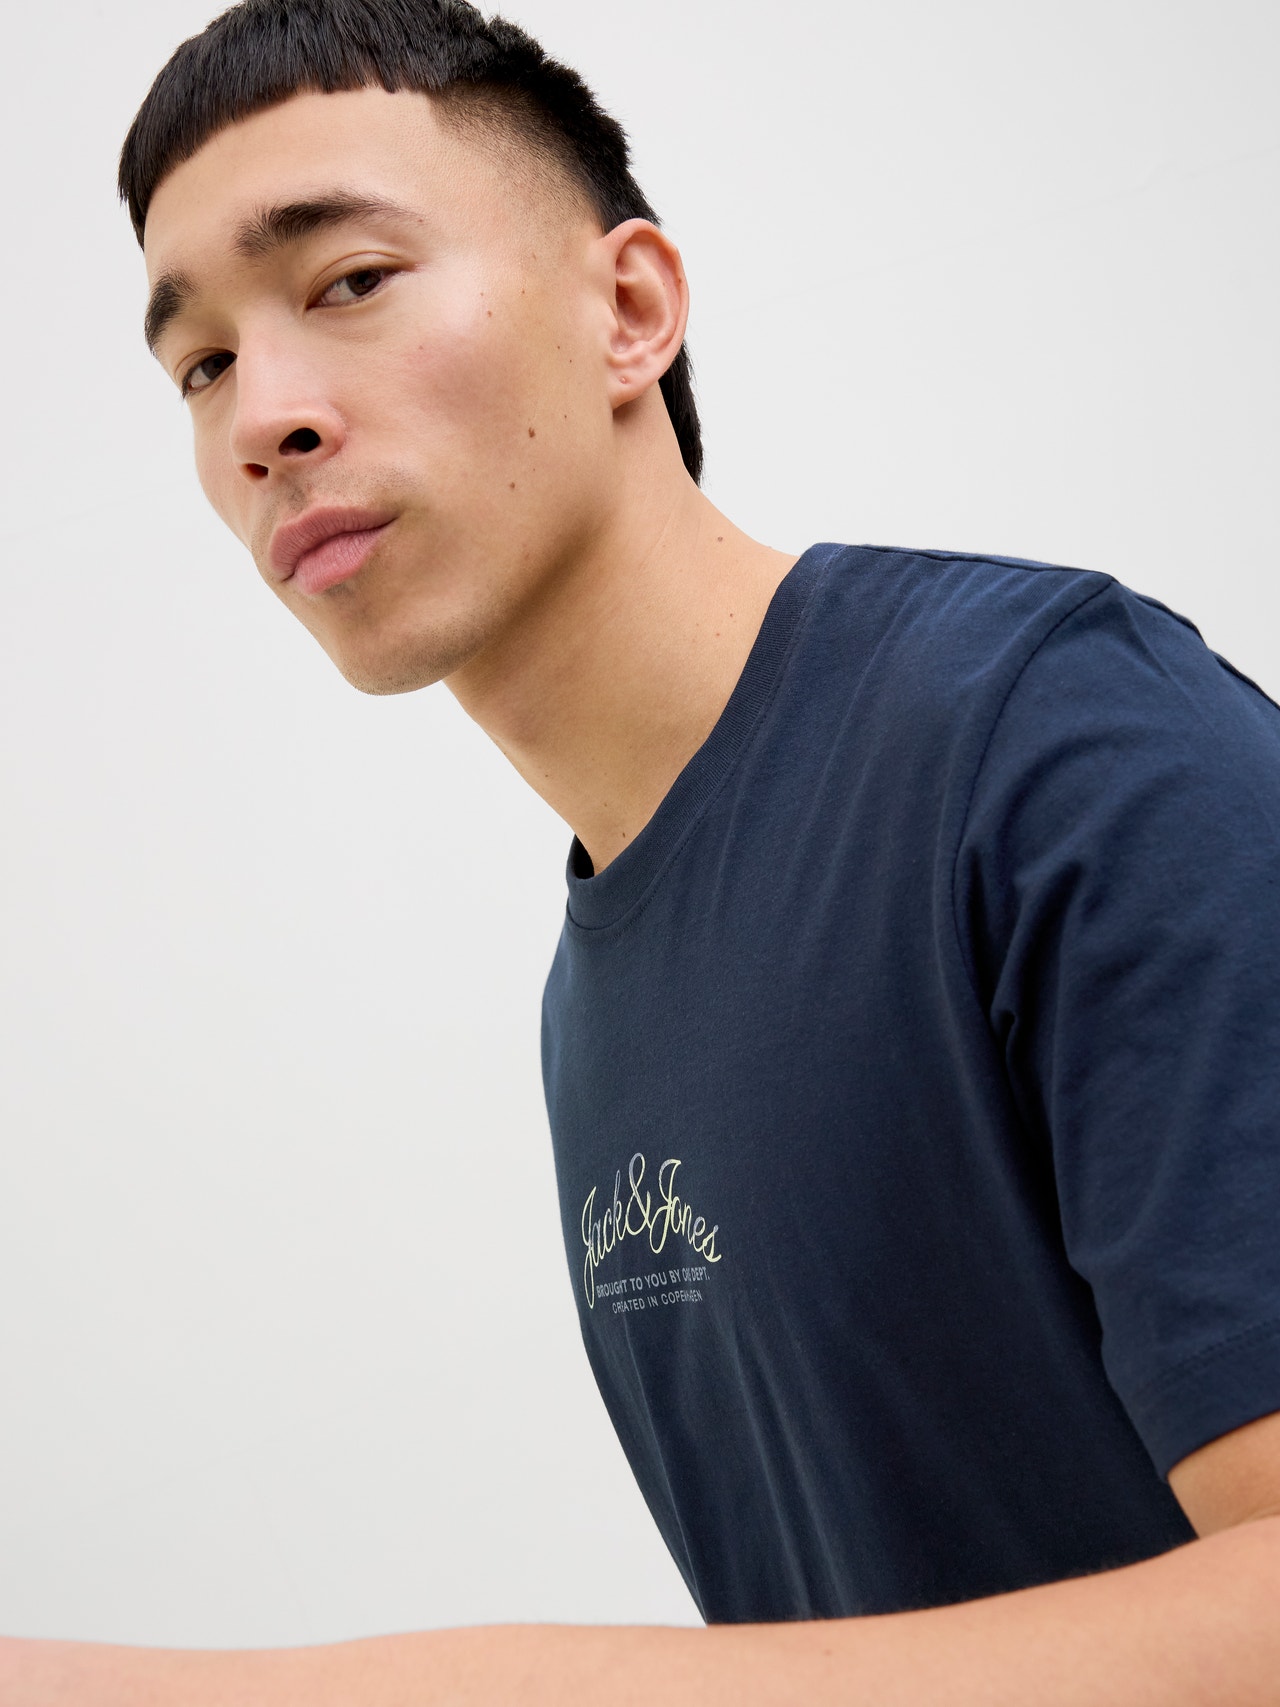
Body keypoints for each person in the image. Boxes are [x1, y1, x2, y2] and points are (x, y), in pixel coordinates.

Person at [5, 0, 1279, 1700]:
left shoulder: (1057, 741)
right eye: (204, 365)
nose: (263, 418)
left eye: (350, 281)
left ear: (629, 311)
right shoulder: (591, 1009)